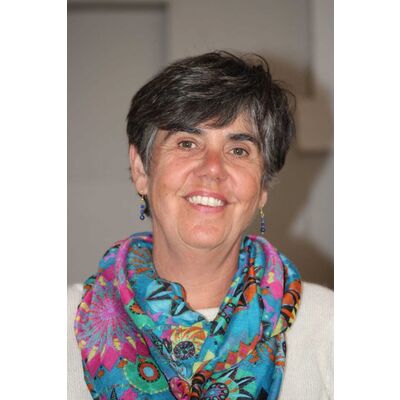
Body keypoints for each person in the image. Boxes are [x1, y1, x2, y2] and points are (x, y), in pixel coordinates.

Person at [69, 51, 333, 400]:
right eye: (187, 143)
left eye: (238, 150)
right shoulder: (58, 322)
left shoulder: (329, 325)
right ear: (141, 169)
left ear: (263, 186)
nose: (212, 168)